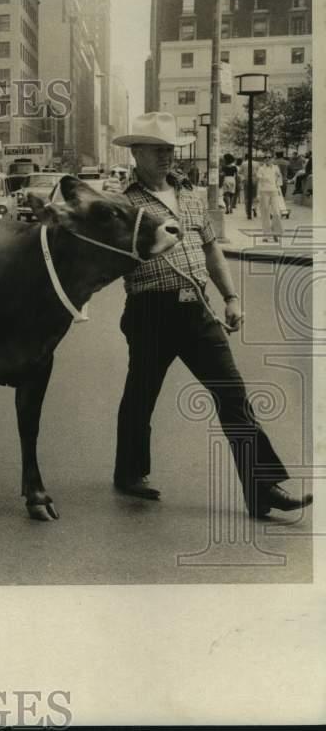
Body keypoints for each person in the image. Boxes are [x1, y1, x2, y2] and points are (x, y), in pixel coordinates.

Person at [110, 112, 311, 519]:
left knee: (232, 394)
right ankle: (129, 472)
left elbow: (211, 248)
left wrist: (232, 297)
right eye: (158, 150)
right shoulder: (122, 203)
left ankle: (262, 488)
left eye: (171, 150)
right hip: (150, 311)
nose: (168, 158)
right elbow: (106, 259)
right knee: (141, 395)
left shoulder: (189, 194)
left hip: (196, 308)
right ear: (136, 154)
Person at [255, 155, 283, 242]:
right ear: (264, 159)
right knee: (265, 213)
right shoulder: (261, 168)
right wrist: (258, 195)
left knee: (276, 212)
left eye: (270, 157)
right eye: (266, 157)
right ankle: (266, 235)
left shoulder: (276, 168)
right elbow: (259, 182)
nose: (268, 159)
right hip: (264, 192)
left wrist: (279, 189)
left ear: (272, 159)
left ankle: (275, 233)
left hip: (274, 191)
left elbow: (279, 179)